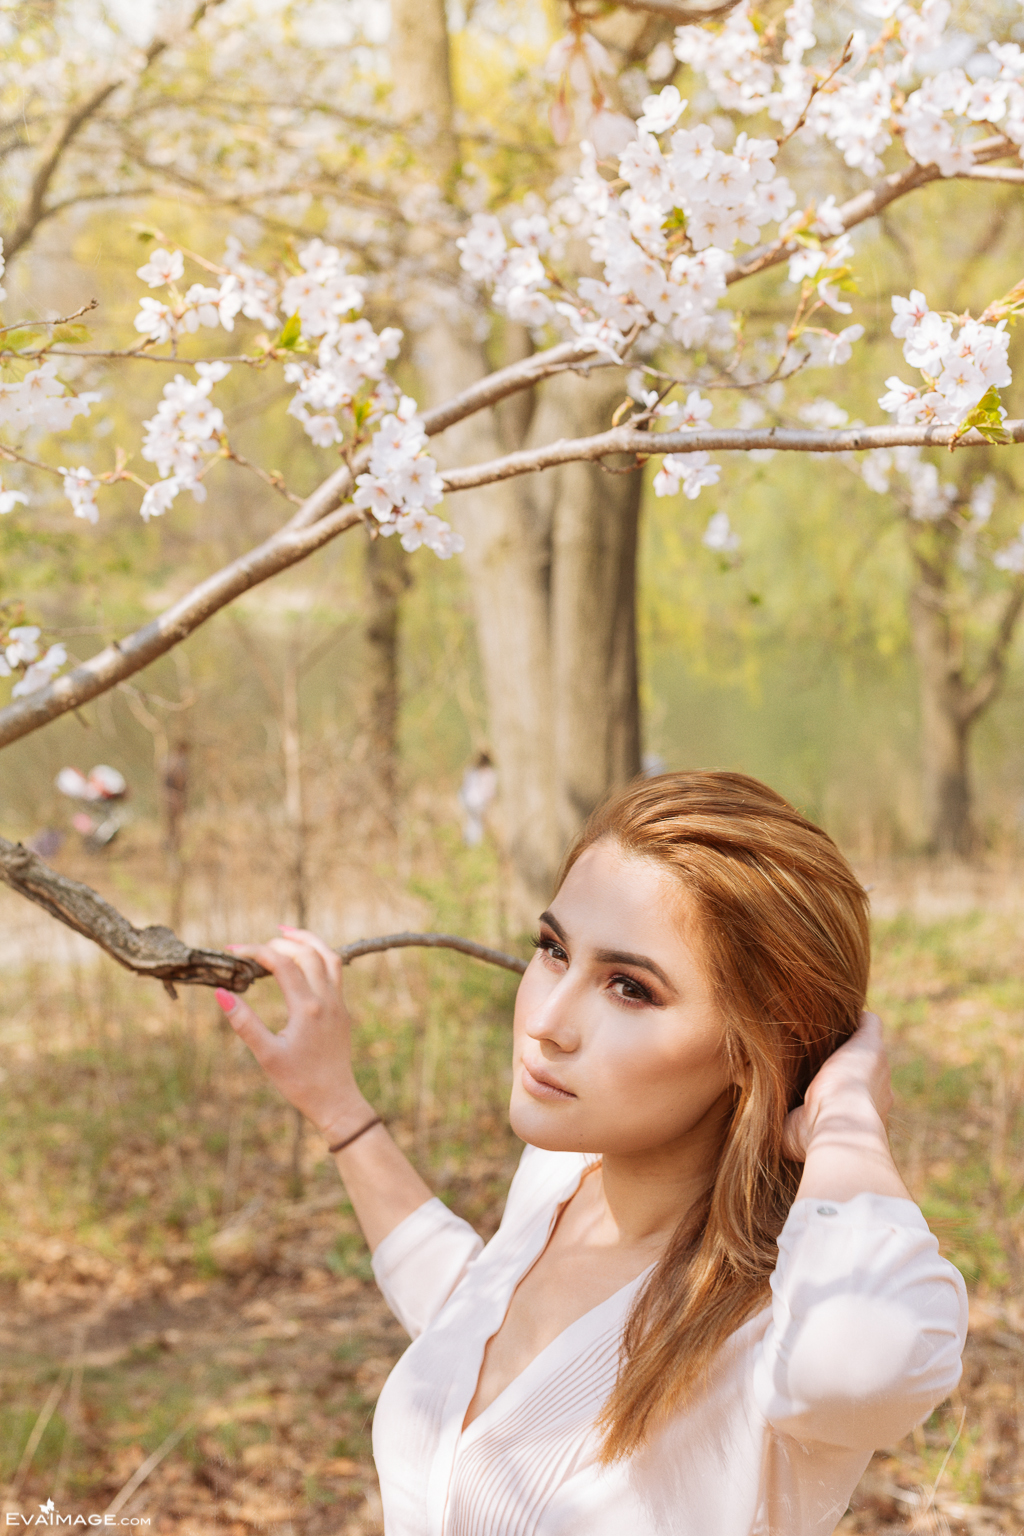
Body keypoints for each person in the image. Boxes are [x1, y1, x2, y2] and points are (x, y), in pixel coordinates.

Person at [217, 771, 967, 1536]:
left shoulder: (779, 1320)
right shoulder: (565, 1177)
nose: (545, 1019)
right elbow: (474, 1325)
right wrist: (336, 1106)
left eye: (629, 988)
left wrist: (844, 1119)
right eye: (552, 949)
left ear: (758, 1047)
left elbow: (862, 1363)